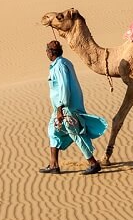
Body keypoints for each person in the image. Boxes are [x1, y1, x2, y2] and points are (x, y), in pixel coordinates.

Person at [40, 40, 107, 175]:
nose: (46, 52)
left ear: (51, 52)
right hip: (60, 108)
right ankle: (54, 165)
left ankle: (93, 163)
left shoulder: (60, 66)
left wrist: (61, 107)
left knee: (75, 133)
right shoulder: (62, 63)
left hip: (67, 108)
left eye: (47, 50)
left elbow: (64, 87)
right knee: (53, 131)